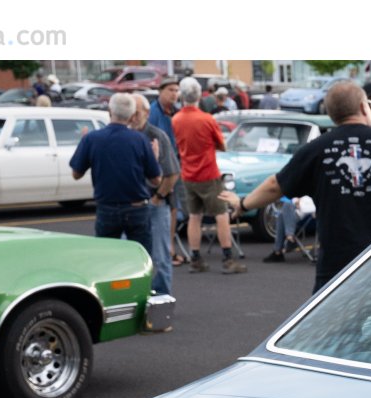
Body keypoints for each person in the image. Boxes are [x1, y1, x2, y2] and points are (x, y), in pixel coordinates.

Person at [228, 80, 371, 292]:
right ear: (363, 107)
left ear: (331, 114)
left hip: (337, 265)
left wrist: (243, 204)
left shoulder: (316, 149)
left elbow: (274, 186)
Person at [69, 93, 159, 253]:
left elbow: (76, 174)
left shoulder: (91, 139)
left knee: (107, 257)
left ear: (110, 112)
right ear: (132, 116)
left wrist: (84, 147)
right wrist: (155, 158)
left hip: (107, 208)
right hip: (137, 207)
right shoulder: (140, 140)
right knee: (141, 257)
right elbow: (156, 180)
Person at [172, 76, 244, 273]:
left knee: (194, 216)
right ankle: (228, 259)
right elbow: (222, 145)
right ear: (199, 96)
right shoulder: (206, 119)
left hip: (188, 174)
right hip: (208, 173)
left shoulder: (176, 120)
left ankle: (195, 258)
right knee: (221, 214)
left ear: (182, 96)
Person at [129, 93, 180, 299]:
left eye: (137, 112)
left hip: (154, 204)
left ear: (147, 113)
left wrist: (158, 197)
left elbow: (172, 173)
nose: (133, 116)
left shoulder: (157, 136)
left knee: (159, 256)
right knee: (132, 256)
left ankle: (162, 298)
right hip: (130, 206)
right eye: (130, 111)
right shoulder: (126, 136)